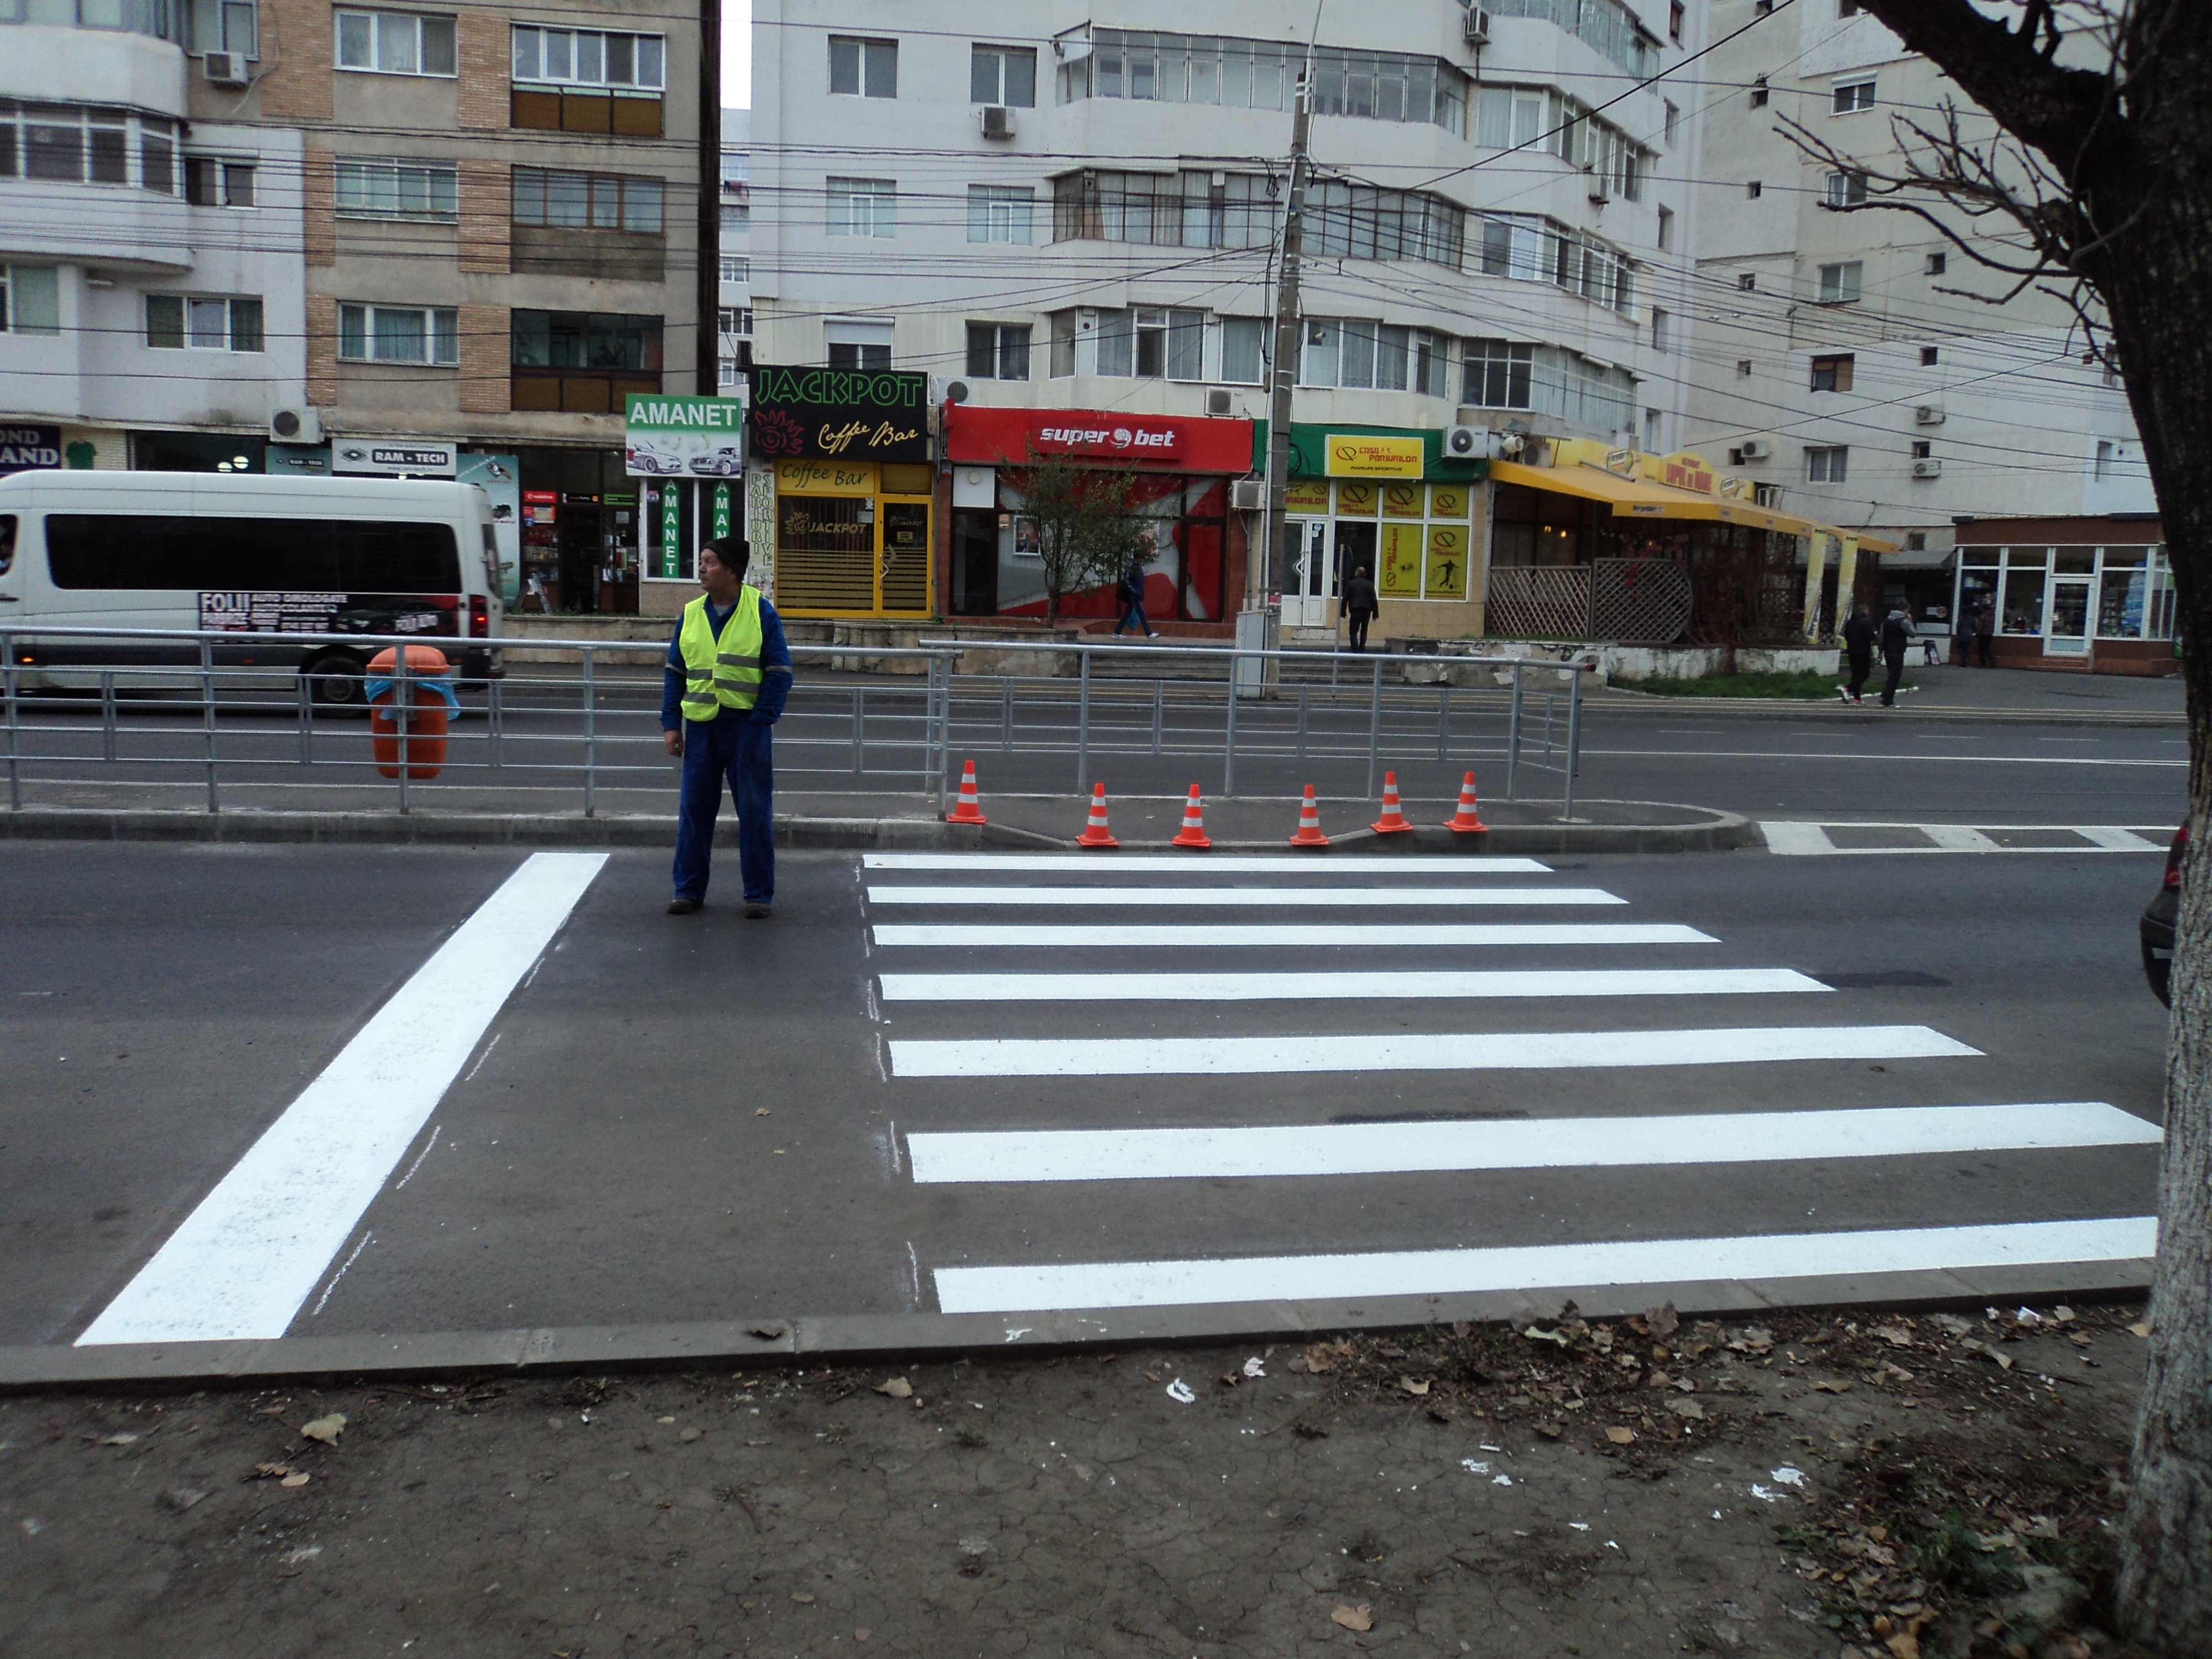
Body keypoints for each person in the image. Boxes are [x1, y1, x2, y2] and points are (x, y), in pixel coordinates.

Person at [661, 538, 794, 917]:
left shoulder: (760, 611)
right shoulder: (691, 613)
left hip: (746, 727)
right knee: (694, 810)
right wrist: (671, 724)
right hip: (701, 727)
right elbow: (675, 672)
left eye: (711, 562)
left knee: (754, 811)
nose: (701, 568)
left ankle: (758, 895)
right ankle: (688, 890)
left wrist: (759, 721)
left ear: (732, 571)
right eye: (701, 561)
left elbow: (780, 672)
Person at [1838, 601, 1876, 704]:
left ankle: (1857, 698)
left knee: (1855, 675)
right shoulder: (1866, 622)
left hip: (1852, 651)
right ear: (1866, 611)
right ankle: (1847, 688)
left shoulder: (1849, 622)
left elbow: (1846, 636)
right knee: (1865, 674)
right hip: (1863, 651)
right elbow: (1870, 637)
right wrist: (1875, 636)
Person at [1879, 601, 1914, 707]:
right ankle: (1887, 700)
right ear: (1906, 610)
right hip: (1898, 651)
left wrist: (1881, 650)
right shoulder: (1903, 621)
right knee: (1895, 676)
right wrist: (1910, 621)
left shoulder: (1886, 621)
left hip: (1888, 650)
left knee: (1891, 674)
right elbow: (1913, 634)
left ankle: (1885, 695)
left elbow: (1881, 637)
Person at [1341, 562, 1379, 653]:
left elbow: (1345, 598)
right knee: (1364, 630)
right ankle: (1362, 650)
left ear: (1356, 574)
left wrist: (1343, 612)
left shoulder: (1351, 584)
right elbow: (1374, 599)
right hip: (1367, 610)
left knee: (1353, 632)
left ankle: (1355, 651)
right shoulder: (1370, 584)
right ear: (1364, 574)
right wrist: (1375, 614)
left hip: (1355, 609)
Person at [1113, 562, 1157, 637]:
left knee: (1127, 613)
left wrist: (1141, 594)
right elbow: (1127, 581)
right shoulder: (1132, 566)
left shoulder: (1139, 567)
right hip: (1134, 595)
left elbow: (1140, 583)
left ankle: (1117, 632)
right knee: (1141, 612)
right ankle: (1149, 633)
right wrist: (1135, 592)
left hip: (1137, 595)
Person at [1974, 598, 1997, 667]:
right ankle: (1992, 659)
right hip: (1990, 634)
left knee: (1981, 649)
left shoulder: (1983, 616)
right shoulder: (1992, 615)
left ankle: (1983, 663)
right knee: (1987, 648)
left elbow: (1981, 626)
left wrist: (1978, 633)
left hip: (1983, 634)